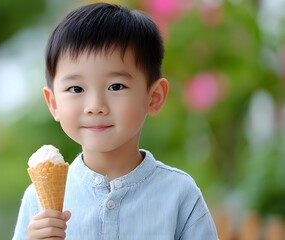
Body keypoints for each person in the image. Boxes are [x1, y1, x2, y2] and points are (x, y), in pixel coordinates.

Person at [13, 2, 218, 239]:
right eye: (76, 88)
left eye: (116, 86)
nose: (95, 106)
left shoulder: (179, 195)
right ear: (54, 103)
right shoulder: (37, 201)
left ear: (154, 97)